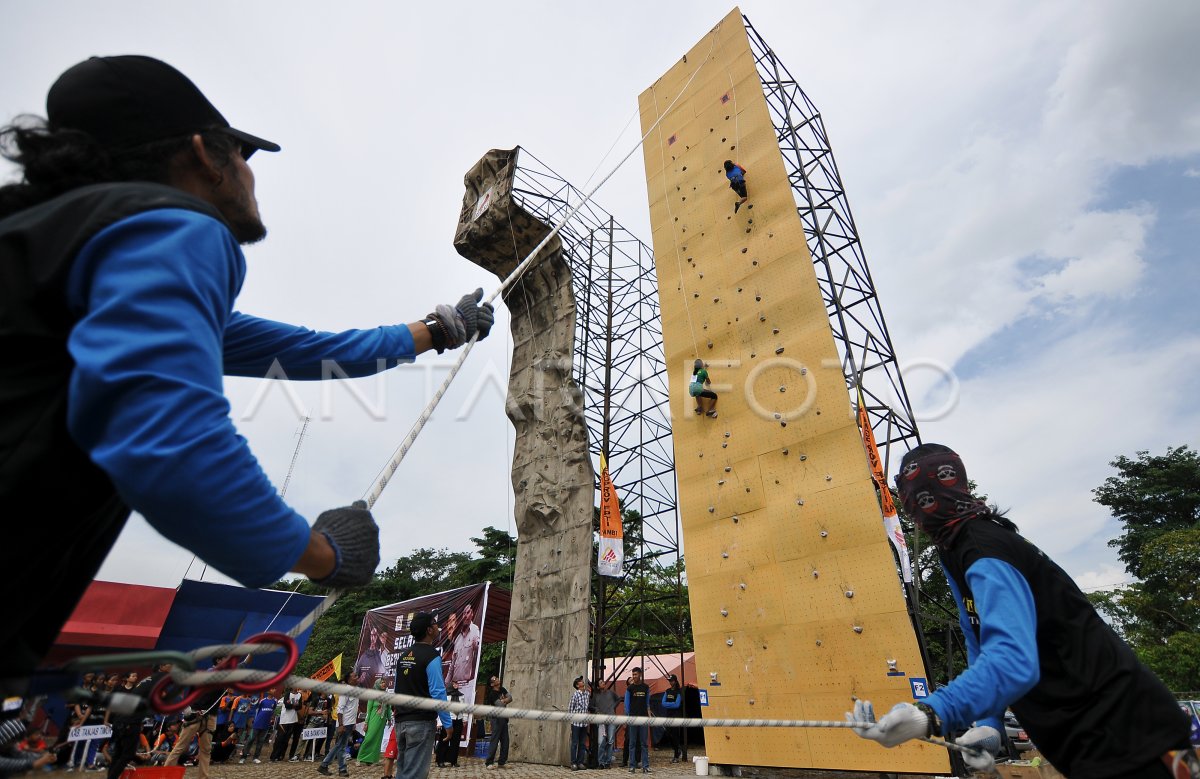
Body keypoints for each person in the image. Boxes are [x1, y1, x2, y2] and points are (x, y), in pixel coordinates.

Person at [0, 54, 496, 693]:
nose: (249, 175)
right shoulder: (169, 228)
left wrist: (435, 330)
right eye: (245, 155)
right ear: (207, 154)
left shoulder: (54, 245)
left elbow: (300, 350)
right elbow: (170, 444)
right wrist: (320, 555)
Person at [846, 444, 1198, 778]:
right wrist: (988, 722)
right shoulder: (954, 550)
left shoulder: (982, 548)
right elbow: (978, 640)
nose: (918, 510)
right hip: (1094, 739)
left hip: (1130, 734)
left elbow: (1013, 660)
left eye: (917, 499)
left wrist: (934, 712)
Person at [391, 613, 451, 779]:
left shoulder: (403, 657)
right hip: (421, 723)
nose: (438, 626)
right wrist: (447, 723)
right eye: (435, 623)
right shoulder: (432, 656)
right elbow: (438, 691)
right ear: (429, 630)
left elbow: (397, 689)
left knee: (403, 772)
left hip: (401, 722)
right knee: (414, 774)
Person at [164, 659, 228, 779]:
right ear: (219, 661)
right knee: (180, 747)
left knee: (206, 750)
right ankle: (165, 775)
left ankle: (203, 777)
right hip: (195, 715)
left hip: (210, 716)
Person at [318, 672, 360, 777]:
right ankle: (324, 765)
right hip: (344, 724)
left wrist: (353, 722)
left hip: (349, 723)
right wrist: (341, 725)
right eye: (354, 676)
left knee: (341, 747)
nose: (357, 677)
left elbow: (352, 709)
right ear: (349, 680)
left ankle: (342, 770)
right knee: (339, 746)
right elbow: (339, 710)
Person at [447, 605, 481, 703]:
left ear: (472, 614)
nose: (465, 616)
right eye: (464, 613)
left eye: (468, 612)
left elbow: (477, 648)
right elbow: (452, 664)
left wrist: (476, 645)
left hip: (467, 685)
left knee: (464, 716)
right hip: (454, 686)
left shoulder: (475, 630)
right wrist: (446, 684)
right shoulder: (458, 638)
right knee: (451, 715)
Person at [240, 688, 277, 764]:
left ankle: (256, 757)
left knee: (260, 741)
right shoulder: (262, 701)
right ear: (268, 690)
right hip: (257, 723)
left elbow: (273, 711)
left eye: (275, 689)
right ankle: (243, 757)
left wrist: (272, 719)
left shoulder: (275, 701)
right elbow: (255, 708)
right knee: (250, 740)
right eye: (272, 689)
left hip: (266, 725)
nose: (274, 690)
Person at [623, 668, 650, 774]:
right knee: (632, 743)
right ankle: (632, 765)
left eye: (635, 674)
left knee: (644, 743)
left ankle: (645, 766)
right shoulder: (630, 688)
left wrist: (649, 716)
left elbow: (647, 703)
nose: (634, 676)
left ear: (640, 675)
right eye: (633, 674)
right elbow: (626, 705)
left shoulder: (646, 687)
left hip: (643, 719)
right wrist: (627, 718)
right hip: (633, 719)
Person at [483, 675, 512, 770]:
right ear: (492, 684)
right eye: (495, 679)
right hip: (496, 719)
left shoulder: (502, 689)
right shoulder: (492, 693)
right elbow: (499, 705)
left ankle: (502, 762)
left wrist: (503, 700)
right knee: (494, 741)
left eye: (497, 677)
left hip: (504, 718)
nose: (497, 679)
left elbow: (510, 698)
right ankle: (489, 762)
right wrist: (505, 701)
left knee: (505, 741)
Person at [271, 688, 305, 762]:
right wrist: (294, 705)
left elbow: (299, 706)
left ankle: (281, 755)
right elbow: (282, 709)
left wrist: (292, 704)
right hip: (283, 721)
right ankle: (274, 756)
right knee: (279, 739)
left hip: (292, 720)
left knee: (286, 740)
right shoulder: (281, 700)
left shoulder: (299, 695)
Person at [592, 680, 619, 770]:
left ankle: (608, 762)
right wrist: (597, 710)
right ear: (598, 687)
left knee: (610, 741)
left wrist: (613, 707)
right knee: (601, 742)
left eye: (603, 682)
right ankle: (601, 762)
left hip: (611, 718)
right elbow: (591, 706)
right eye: (601, 683)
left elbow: (618, 699)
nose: (603, 683)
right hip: (601, 720)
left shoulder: (611, 693)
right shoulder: (596, 696)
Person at [434, 686, 464, 768]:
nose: (456, 685)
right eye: (454, 683)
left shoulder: (461, 695)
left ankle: (453, 761)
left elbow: (464, 708)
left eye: (457, 683)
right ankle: (440, 760)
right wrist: (440, 723)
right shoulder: (445, 696)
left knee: (456, 741)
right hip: (448, 720)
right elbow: (441, 710)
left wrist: (463, 719)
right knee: (444, 740)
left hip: (458, 719)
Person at [659, 675, 686, 763]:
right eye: (669, 681)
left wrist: (669, 704)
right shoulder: (667, 691)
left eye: (671, 681)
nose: (670, 682)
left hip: (676, 716)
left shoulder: (679, 691)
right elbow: (663, 703)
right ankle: (677, 748)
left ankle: (676, 755)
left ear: (675, 681)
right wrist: (672, 704)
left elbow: (677, 704)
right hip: (669, 715)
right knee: (668, 734)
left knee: (675, 735)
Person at [568, 676, 591, 770]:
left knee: (582, 743)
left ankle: (580, 762)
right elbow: (570, 708)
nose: (583, 682)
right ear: (577, 685)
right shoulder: (575, 695)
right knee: (574, 743)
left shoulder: (586, 694)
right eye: (581, 681)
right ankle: (573, 763)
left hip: (584, 723)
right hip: (576, 724)